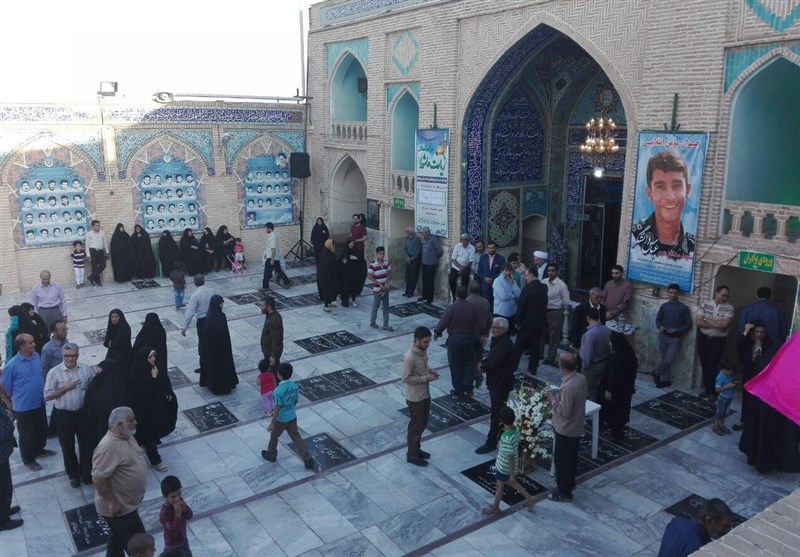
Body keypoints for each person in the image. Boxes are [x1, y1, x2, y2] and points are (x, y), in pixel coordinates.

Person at [92, 407, 147, 557]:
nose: (135, 422)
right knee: (140, 547)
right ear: (119, 425)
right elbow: (98, 478)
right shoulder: (107, 447)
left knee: (117, 539)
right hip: (120, 510)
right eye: (131, 420)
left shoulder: (127, 435)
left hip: (128, 504)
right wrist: (112, 502)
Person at [44, 342, 96, 487]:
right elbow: (48, 396)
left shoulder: (85, 369)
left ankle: (86, 472)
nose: (70, 359)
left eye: (73, 355)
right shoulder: (54, 372)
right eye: (67, 356)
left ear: (78, 355)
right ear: (63, 356)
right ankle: (73, 475)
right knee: (67, 446)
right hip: (64, 415)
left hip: (82, 414)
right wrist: (66, 388)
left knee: (86, 444)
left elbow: (93, 388)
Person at [1, 334, 56, 471]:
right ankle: (28, 459)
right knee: (26, 434)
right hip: (24, 405)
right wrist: (11, 401)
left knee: (41, 428)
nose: (34, 344)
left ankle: (38, 450)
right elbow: (6, 386)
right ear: (21, 346)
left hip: (39, 401)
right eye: (30, 343)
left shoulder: (36, 356)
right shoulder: (11, 365)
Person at [631, 151, 696, 260]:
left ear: (687, 190)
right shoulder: (633, 237)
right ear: (649, 193)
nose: (670, 197)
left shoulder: (693, 246)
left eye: (677, 186)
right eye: (660, 187)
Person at [481, 406, 537, 515]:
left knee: (500, 486)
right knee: (511, 483)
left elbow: (510, 456)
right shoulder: (515, 431)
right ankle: (530, 498)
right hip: (507, 465)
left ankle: (495, 507)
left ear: (501, 421)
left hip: (504, 467)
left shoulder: (506, 438)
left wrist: (512, 474)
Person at [547, 352, 587, 502]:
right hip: (576, 426)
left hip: (566, 429)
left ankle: (564, 492)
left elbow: (565, 412)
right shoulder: (581, 378)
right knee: (571, 459)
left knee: (562, 462)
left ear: (562, 367)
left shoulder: (569, 386)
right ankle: (569, 484)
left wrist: (553, 400)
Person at [129, 348, 175, 472]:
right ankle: (156, 461)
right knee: (148, 435)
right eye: (150, 357)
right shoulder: (137, 373)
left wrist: (168, 392)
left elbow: (165, 381)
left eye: (154, 356)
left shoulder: (156, 367)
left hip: (156, 408)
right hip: (143, 411)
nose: (153, 359)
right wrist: (153, 378)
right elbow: (143, 394)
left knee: (150, 434)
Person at [262, 363, 315, 470]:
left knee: (274, 436)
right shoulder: (294, 386)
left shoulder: (278, 391)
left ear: (279, 375)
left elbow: (277, 407)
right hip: (292, 417)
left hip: (281, 419)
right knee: (296, 437)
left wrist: (272, 423)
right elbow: (295, 400)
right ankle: (307, 458)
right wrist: (290, 409)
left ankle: (271, 454)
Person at [475, 318, 517, 454]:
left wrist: (483, 366)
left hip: (500, 383)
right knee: (497, 410)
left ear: (504, 329)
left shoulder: (505, 344)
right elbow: (492, 356)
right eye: (492, 326)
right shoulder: (498, 340)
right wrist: (484, 363)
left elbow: (495, 361)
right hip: (495, 382)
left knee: (497, 412)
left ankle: (491, 441)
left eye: (496, 327)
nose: (493, 329)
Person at [434, 285, 481, 397]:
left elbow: (443, 321)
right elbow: (478, 323)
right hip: (469, 339)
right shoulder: (472, 307)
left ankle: (458, 389)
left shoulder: (452, 308)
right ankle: (468, 388)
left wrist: (437, 332)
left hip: (455, 339)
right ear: (466, 294)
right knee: (468, 363)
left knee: (455, 365)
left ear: (456, 295)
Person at [402, 326, 438, 467]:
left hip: (425, 394)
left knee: (423, 423)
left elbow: (423, 369)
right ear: (417, 340)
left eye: (429, 341)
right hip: (415, 398)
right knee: (415, 427)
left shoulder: (422, 352)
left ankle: (416, 449)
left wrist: (431, 371)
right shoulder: (409, 357)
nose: (427, 344)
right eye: (425, 342)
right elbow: (406, 378)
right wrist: (425, 378)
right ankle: (411, 455)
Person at [733, 320, 775, 431]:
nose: (759, 334)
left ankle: (754, 423)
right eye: (757, 331)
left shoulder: (768, 343)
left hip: (761, 375)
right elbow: (739, 346)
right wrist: (746, 330)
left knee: (758, 399)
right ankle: (743, 420)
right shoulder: (748, 341)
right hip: (749, 372)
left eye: (762, 332)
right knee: (746, 397)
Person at [657, 498, 733, 557]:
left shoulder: (677, 522)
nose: (728, 530)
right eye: (725, 526)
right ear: (709, 521)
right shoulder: (699, 550)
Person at [695, 285, 734, 401]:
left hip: (718, 340)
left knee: (712, 365)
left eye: (727, 296)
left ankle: (714, 391)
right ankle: (708, 389)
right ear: (716, 293)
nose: (725, 298)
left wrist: (706, 320)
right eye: (723, 295)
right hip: (703, 338)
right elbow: (698, 322)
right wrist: (717, 324)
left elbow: (725, 324)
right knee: (704, 364)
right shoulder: (704, 304)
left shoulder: (729, 308)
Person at [653, 284, 693, 388]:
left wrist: (677, 330)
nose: (673, 295)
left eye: (675, 293)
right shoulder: (664, 306)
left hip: (675, 338)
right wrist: (660, 327)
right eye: (671, 292)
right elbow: (658, 320)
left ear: (678, 294)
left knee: (668, 359)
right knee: (664, 359)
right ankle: (666, 380)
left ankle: (656, 372)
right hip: (663, 336)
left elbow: (688, 324)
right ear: (668, 293)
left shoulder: (683, 308)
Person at [600, 332, 638, 441]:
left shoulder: (617, 357)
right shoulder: (629, 355)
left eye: (610, 341)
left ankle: (616, 434)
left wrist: (609, 389)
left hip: (616, 391)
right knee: (621, 410)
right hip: (625, 390)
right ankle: (618, 429)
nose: (609, 344)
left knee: (614, 412)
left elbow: (614, 375)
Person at [200, 295, 239, 395]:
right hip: (222, 348)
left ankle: (213, 384)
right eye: (221, 303)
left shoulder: (209, 316)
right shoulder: (220, 316)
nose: (222, 305)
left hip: (212, 349)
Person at [84, 359, 130, 443]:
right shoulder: (120, 386)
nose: (98, 371)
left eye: (101, 369)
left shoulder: (96, 384)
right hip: (116, 427)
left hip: (103, 426)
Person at [515, 268, 548, 374]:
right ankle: (533, 368)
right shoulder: (544, 287)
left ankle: (513, 365)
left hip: (527, 322)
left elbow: (521, 305)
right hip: (539, 323)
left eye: (527, 275)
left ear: (532, 275)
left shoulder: (528, 288)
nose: (526, 278)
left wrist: (517, 321)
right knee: (535, 346)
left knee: (519, 345)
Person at [181, 275, 215, 375]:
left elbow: (190, 312)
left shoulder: (195, 296)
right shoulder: (212, 291)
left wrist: (184, 327)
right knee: (213, 341)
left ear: (194, 283)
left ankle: (204, 366)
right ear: (204, 281)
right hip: (213, 319)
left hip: (203, 322)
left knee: (203, 344)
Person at [0, 386, 24, 530]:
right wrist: (10, 422)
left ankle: (4, 509)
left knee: (5, 485)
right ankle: (2, 520)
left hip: (3, 453)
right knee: (3, 486)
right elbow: (3, 431)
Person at [579, 308, 612, 403]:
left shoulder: (589, 334)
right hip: (604, 364)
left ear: (588, 318)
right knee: (600, 390)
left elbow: (587, 354)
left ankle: (593, 410)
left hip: (592, 367)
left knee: (590, 392)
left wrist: (584, 366)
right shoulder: (607, 330)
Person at [159, 475, 194, 557]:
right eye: (173, 497)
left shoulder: (180, 500)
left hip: (183, 541)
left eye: (179, 494)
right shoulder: (164, 513)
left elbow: (190, 516)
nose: (177, 499)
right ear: (165, 496)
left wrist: (185, 510)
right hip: (173, 547)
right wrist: (177, 515)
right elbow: (173, 533)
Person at [543, 263, 570, 366]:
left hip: (555, 312)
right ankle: (539, 354)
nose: (550, 272)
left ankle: (551, 358)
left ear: (557, 272)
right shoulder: (544, 281)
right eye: (549, 270)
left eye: (553, 270)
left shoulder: (562, 285)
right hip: (543, 311)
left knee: (553, 336)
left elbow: (566, 301)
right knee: (541, 333)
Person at [466, 280, 492, 389]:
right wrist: (486, 333)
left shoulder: (466, 302)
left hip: (470, 335)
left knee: (469, 358)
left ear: (469, 290)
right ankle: (478, 374)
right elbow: (489, 319)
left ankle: (473, 378)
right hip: (481, 335)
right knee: (478, 357)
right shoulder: (485, 302)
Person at [368, 246, 394, 331]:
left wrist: (386, 282)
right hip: (377, 290)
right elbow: (370, 276)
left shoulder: (386, 263)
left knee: (386, 307)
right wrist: (378, 283)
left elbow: (390, 273)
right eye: (380, 254)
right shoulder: (373, 264)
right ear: (377, 254)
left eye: (383, 254)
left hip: (385, 289)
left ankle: (386, 324)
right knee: (376, 306)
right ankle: (373, 322)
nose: (382, 255)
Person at [262, 222, 292, 289]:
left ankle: (265, 287)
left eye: (266, 228)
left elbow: (273, 248)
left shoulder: (272, 237)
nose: (265, 230)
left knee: (266, 272)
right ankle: (288, 282)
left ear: (269, 228)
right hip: (274, 257)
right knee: (279, 271)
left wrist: (272, 259)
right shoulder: (273, 235)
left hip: (271, 257)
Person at [418, 227, 443, 304]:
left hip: (431, 263)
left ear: (427, 232)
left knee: (430, 281)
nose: (422, 234)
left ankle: (430, 298)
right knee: (424, 280)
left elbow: (440, 251)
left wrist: (434, 257)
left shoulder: (434, 240)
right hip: (424, 263)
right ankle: (424, 296)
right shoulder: (424, 240)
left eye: (423, 233)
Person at [492, 264, 520, 332]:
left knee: (509, 333)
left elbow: (519, 294)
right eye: (506, 270)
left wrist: (513, 283)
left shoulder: (512, 281)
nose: (508, 273)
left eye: (510, 271)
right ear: (502, 271)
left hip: (511, 312)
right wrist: (512, 296)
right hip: (501, 312)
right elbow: (503, 296)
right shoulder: (497, 281)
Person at [476, 241, 506, 307]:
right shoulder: (483, 258)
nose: (491, 249)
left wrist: (492, 279)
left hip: (496, 285)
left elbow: (502, 272)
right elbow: (479, 271)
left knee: (495, 304)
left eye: (493, 248)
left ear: (496, 248)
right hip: (485, 285)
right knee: (485, 304)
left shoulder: (501, 259)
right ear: (487, 248)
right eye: (489, 248)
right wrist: (485, 278)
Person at [259, 295, 284, 372]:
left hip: (270, 353)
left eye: (262, 306)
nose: (260, 307)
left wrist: (273, 356)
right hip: (268, 351)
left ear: (269, 307)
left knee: (273, 373)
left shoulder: (273, 321)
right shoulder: (270, 316)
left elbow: (276, 340)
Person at [712, 363, 737, 436]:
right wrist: (728, 387)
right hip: (723, 398)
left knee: (725, 412)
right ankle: (715, 426)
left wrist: (734, 384)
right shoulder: (720, 377)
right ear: (725, 370)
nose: (732, 373)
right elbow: (717, 389)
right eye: (730, 371)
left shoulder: (728, 375)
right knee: (720, 413)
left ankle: (721, 425)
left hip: (729, 397)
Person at [449, 234, 475, 302]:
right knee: (451, 279)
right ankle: (454, 296)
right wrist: (460, 267)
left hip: (466, 267)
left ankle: (463, 298)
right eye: (463, 239)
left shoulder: (472, 248)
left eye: (466, 239)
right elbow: (453, 259)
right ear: (461, 240)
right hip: (456, 267)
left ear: (469, 240)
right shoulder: (457, 246)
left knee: (465, 281)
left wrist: (463, 269)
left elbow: (471, 261)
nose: (465, 241)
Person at [338, 237, 362, 307]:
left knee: (354, 287)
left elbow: (360, 259)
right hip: (346, 273)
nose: (351, 245)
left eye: (353, 243)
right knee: (346, 287)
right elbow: (340, 259)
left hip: (354, 272)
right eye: (350, 243)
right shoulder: (344, 250)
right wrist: (345, 259)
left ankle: (353, 300)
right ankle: (345, 301)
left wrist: (355, 258)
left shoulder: (356, 250)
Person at [318, 239, 339, 312]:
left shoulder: (329, 251)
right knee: (327, 289)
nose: (334, 246)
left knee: (331, 288)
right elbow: (329, 262)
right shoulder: (326, 253)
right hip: (325, 274)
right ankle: (326, 305)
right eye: (333, 245)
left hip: (330, 274)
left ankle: (329, 302)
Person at [85, 219, 108, 286]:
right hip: (93, 251)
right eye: (96, 225)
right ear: (92, 226)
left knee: (103, 265)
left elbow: (105, 243)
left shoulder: (102, 233)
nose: (98, 227)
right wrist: (88, 255)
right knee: (94, 267)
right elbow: (87, 245)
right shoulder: (89, 234)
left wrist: (107, 251)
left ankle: (91, 277)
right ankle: (98, 282)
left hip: (100, 251)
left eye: (98, 225)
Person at [402, 227, 422, 298]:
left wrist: (411, 259)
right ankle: (407, 291)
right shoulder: (406, 239)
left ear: (411, 232)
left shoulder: (417, 239)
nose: (405, 232)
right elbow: (405, 248)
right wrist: (407, 257)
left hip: (415, 259)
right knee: (407, 276)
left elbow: (418, 251)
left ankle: (411, 292)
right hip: (408, 258)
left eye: (407, 231)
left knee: (413, 276)